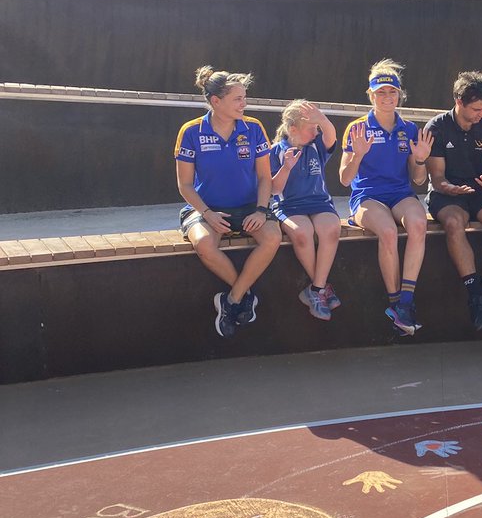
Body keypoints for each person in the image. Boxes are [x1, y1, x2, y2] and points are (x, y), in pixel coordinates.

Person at [174, 65, 281, 338]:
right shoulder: (191, 131)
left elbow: (265, 178)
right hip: (206, 209)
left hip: (249, 207)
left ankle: (231, 300)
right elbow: (185, 185)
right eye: (237, 99)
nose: (244, 104)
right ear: (215, 101)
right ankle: (244, 296)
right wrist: (207, 214)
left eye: (244, 97)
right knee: (204, 244)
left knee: (272, 238)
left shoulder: (254, 128)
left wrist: (261, 209)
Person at [339, 60, 432, 335]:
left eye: (392, 92)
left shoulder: (410, 129)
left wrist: (420, 159)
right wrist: (358, 155)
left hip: (400, 195)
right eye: (381, 92)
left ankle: (405, 302)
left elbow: (418, 180)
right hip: (367, 198)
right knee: (389, 231)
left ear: (399, 95)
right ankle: (395, 302)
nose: (387, 97)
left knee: (418, 224)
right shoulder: (357, 128)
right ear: (371, 95)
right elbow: (345, 179)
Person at [425, 71, 482, 330]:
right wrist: (450, 188)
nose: (480, 114)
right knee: (453, 222)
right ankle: (475, 294)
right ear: (458, 102)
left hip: (480, 191)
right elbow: (436, 177)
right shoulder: (436, 128)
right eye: (476, 109)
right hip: (447, 193)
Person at [270, 100, 342, 321]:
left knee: (331, 228)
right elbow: (274, 188)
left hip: (319, 202)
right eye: (311, 127)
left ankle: (316, 289)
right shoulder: (276, 151)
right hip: (289, 206)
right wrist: (286, 167)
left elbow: (331, 137)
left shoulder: (316, 145)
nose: (316, 131)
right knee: (302, 233)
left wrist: (321, 118)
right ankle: (321, 289)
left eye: (317, 127)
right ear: (293, 130)